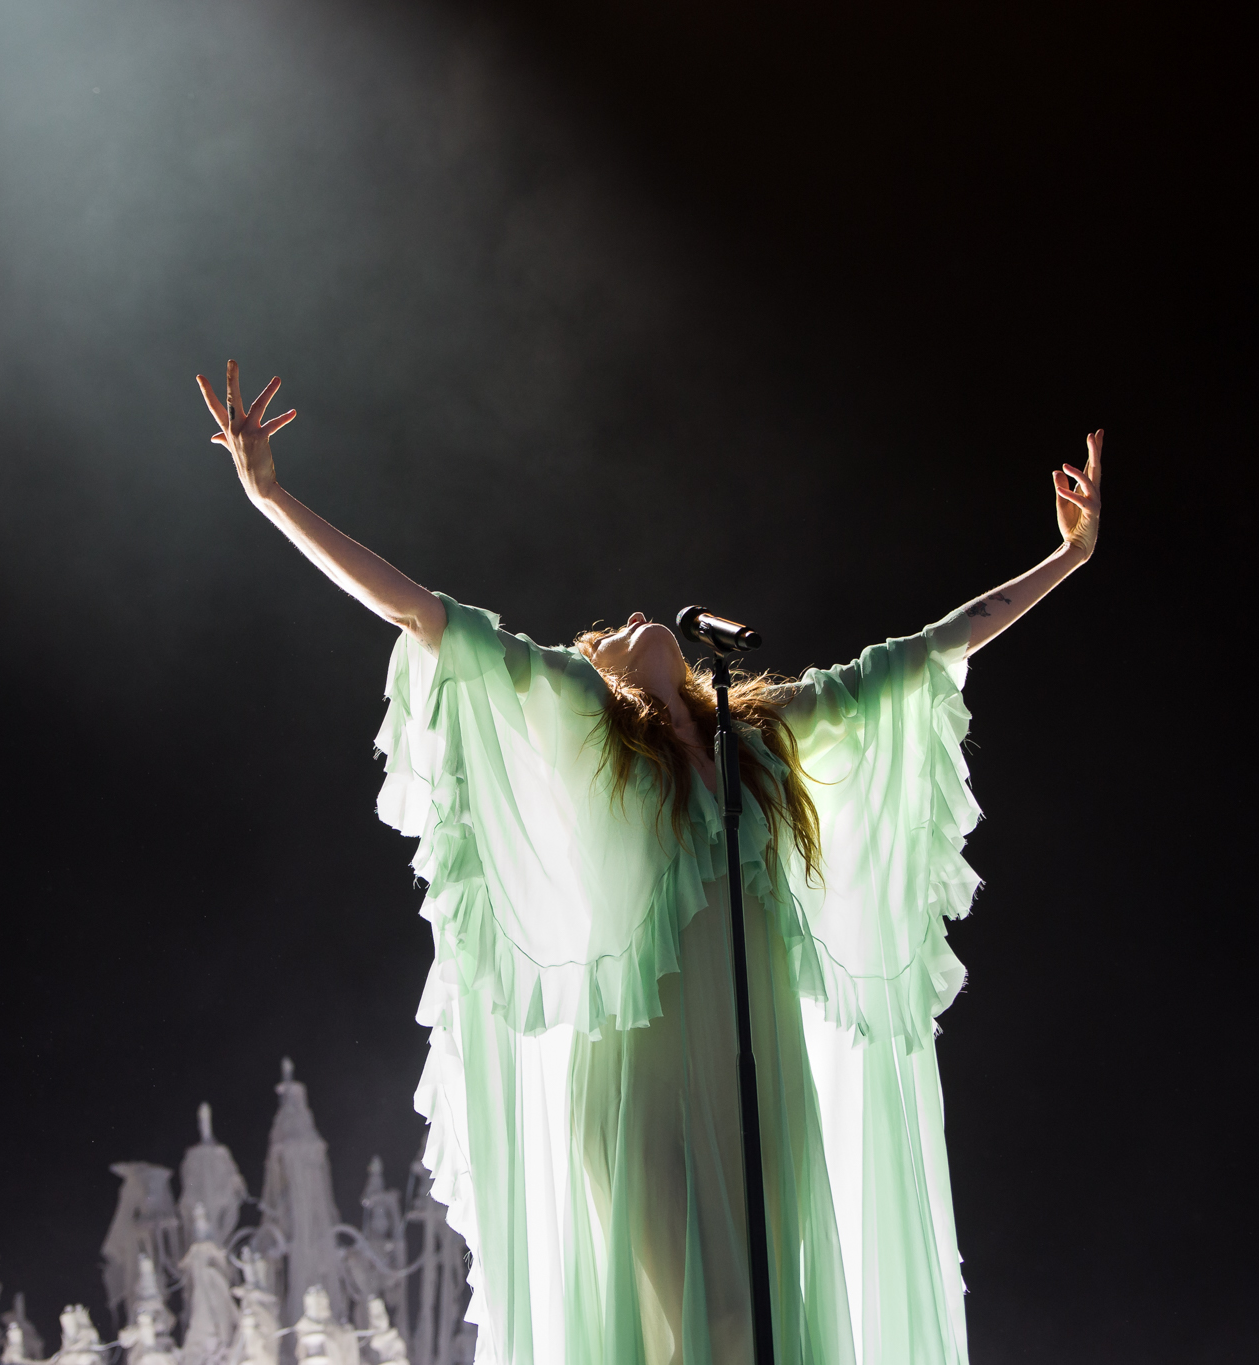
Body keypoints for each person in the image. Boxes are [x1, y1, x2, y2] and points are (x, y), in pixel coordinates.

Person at [197, 361, 1103, 1365]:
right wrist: (270, 493)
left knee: (761, 1325)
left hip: (762, 1072)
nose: (629, 619)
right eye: (606, 634)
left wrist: (1065, 559)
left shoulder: (757, 738)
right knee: (696, 1334)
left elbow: (930, 650)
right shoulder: (587, 724)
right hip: (638, 1079)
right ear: (602, 670)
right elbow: (422, 615)